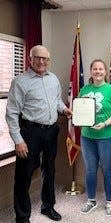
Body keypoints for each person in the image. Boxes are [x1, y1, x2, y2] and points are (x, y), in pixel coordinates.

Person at [6, 45, 72, 223]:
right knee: (24, 175)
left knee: (49, 170)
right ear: (30, 59)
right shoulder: (20, 81)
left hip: (51, 131)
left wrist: (65, 110)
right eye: (38, 58)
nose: (42, 61)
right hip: (30, 132)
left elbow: (56, 100)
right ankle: (22, 216)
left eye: (45, 58)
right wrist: (18, 140)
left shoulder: (53, 79)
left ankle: (48, 206)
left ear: (49, 61)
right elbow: (11, 113)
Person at [78, 59, 111, 216]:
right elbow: (79, 109)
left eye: (100, 69)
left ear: (105, 72)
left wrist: (104, 123)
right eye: (95, 69)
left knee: (107, 170)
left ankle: (109, 202)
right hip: (87, 136)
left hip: (108, 136)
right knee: (90, 170)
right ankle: (91, 201)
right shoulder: (84, 89)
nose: (97, 71)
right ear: (91, 71)